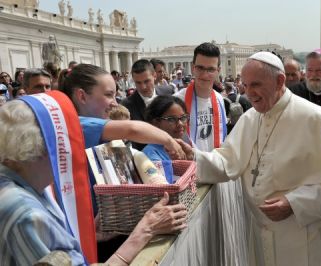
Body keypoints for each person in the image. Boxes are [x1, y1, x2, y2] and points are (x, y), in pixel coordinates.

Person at [184, 51, 321, 265]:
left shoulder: (315, 118)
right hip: (263, 235)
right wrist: (189, 156)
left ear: (280, 81)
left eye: (256, 85)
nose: (249, 94)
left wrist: (294, 203)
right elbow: (226, 162)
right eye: (246, 86)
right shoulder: (250, 118)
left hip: (308, 240)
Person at [0, 92, 187, 265]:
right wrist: (144, 231)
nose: (74, 150)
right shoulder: (25, 214)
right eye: (68, 141)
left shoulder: (21, 184)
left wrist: (93, 234)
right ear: (40, 148)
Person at [174, 42, 227, 152]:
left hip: (215, 165)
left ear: (218, 71)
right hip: (190, 166)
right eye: (200, 68)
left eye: (211, 69)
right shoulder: (177, 101)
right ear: (193, 68)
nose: (204, 74)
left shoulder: (220, 99)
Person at [143, 95, 190, 162]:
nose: (180, 123)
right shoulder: (151, 154)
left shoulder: (185, 147)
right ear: (156, 123)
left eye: (183, 118)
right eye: (172, 119)